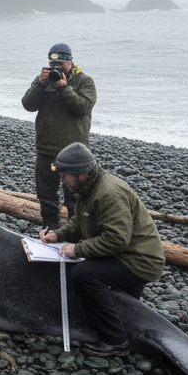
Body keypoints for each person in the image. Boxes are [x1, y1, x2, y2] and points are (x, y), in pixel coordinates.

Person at [39, 142, 165, 355]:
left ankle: (115, 341)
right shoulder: (88, 188)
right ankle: (124, 323)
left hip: (140, 260)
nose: (61, 180)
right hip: (127, 253)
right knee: (121, 299)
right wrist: (57, 235)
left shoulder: (108, 193)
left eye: (64, 175)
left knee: (84, 273)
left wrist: (77, 250)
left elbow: (116, 239)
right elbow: (80, 221)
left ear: (82, 173)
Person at [21, 41, 97, 230]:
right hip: (46, 149)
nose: (56, 67)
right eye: (53, 64)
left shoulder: (84, 81)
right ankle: (50, 229)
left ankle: (76, 233)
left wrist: (63, 87)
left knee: (75, 198)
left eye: (60, 64)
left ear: (70, 62)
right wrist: (40, 84)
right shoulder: (43, 80)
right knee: (46, 195)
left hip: (73, 153)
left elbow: (83, 107)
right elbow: (28, 105)